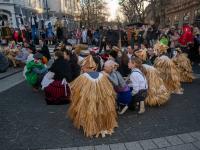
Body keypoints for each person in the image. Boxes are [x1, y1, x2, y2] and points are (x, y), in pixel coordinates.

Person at [68, 55, 118, 138]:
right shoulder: (102, 76)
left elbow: (76, 90)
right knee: (100, 111)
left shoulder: (83, 77)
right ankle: (101, 124)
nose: (82, 69)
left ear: (86, 67)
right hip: (101, 101)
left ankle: (91, 126)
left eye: (83, 67)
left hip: (89, 100)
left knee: (90, 111)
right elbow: (109, 91)